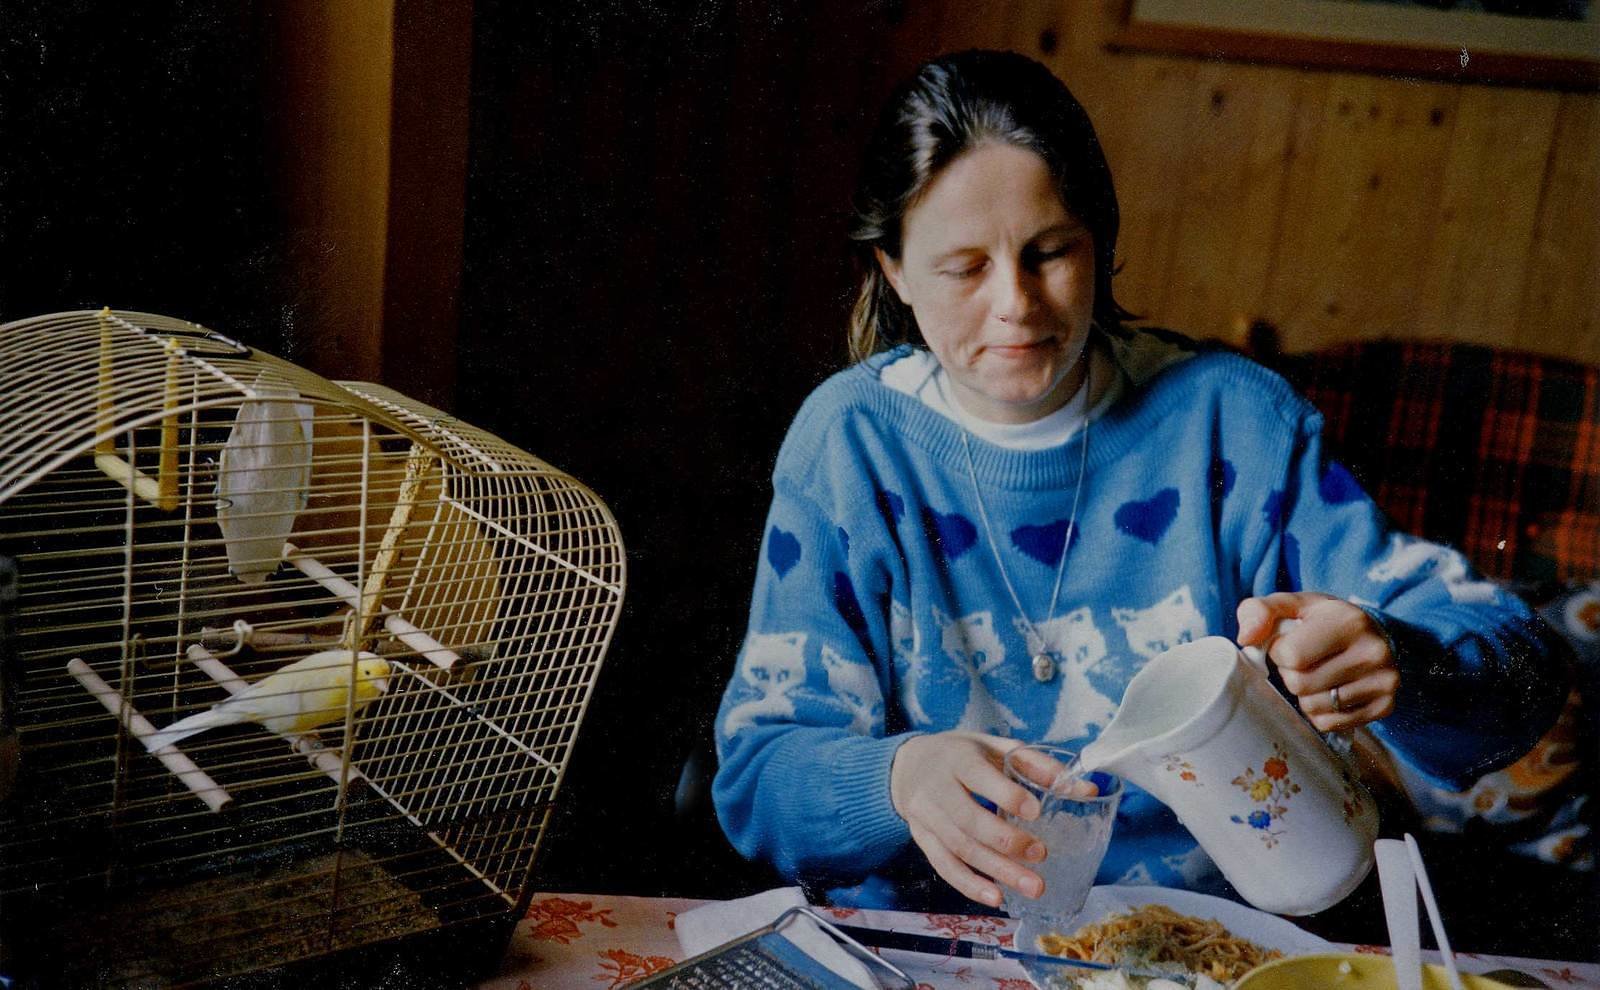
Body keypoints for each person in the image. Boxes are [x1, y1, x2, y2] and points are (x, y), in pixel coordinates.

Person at [711, 49, 1568, 914]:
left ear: (1101, 242)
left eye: (1051, 251)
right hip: (926, 947)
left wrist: (1405, 659)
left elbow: (1522, 661)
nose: (1016, 303)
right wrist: (896, 777)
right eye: (965, 268)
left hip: (1219, 944)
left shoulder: (1232, 422)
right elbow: (756, 781)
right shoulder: (850, 443)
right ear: (893, 269)